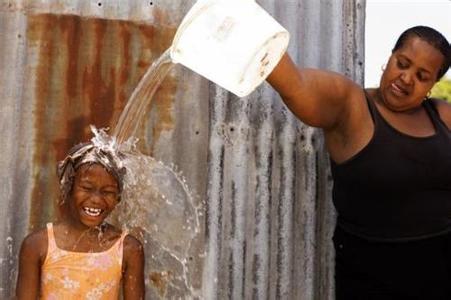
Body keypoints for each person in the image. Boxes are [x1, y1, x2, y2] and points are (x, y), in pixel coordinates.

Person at [267, 26, 451, 299]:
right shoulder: (351, 105)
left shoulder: (442, 115)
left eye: (422, 76)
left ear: (432, 84)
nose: (407, 78)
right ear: (390, 57)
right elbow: (295, 85)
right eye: (402, 64)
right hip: (372, 275)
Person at [15, 139, 145, 299]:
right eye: (86, 188)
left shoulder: (128, 249)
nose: (96, 199)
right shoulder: (37, 245)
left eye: (108, 191)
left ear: (118, 197)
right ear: (68, 187)